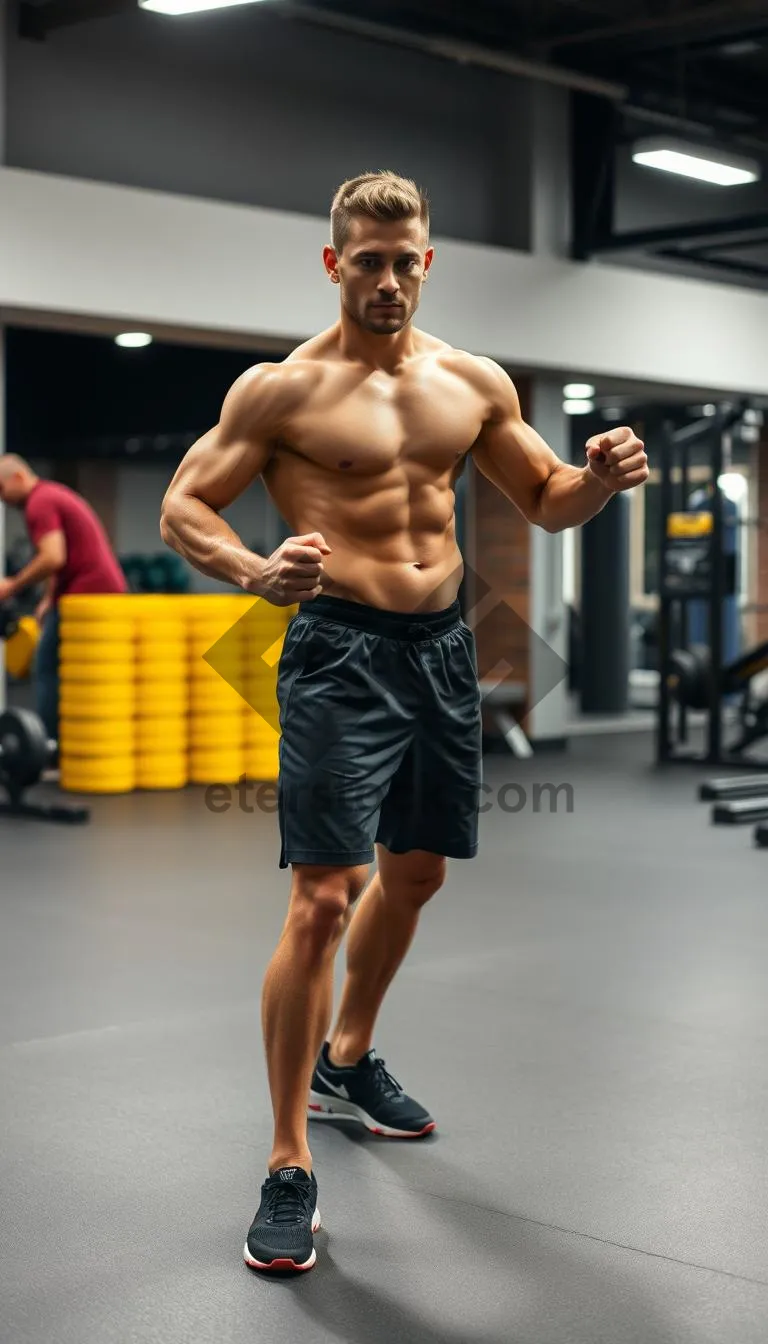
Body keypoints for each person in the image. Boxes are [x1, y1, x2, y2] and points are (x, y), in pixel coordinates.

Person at [160, 170, 649, 1275]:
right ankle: (290, 1162)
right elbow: (184, 504)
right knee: (323, 898)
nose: (388, 279)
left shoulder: (472, 383)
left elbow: (548, 498)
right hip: (336, 650)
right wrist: (252, 566)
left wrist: (603, 480)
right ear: (334, 265)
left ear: (429, 261)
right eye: (366, 261)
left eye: (405, 259)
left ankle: (350, 1057)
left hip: (442, 649)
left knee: (417, 873)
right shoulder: (280, 391)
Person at [0, 456, 127, 743]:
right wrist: (49, 598)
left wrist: (12, 586)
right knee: (76, 669)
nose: (2, 497)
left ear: (19, 478)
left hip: (88, 594)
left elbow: (53, 556)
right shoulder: (49, 495)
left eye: (1, 487)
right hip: (96, 591)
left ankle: (48, 747)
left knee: (45, 666)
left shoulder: (38, 504)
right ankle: (73, 742)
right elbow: (60, 560)